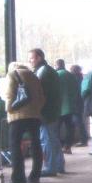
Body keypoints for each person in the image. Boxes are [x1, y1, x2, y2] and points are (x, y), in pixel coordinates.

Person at [5, 62, 45, 183]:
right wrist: (36, 109)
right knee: (36, 144)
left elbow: (9, 94)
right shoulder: (34, 76)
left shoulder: (12, 74)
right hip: (34, 116)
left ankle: (18, 179)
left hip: (17, 116)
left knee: (15, 146)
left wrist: (9, 109)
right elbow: (42, 97)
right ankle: (35, 176)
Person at [28, 48, 65, 176]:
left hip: (46, 112)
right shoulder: (48, 70)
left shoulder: (42, 72)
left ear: (39, 58)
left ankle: (50, 167)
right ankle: (59, 165)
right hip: (53, 110)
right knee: (53, 139)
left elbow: (40, 93)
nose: (30, 61)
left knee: (47, 140)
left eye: (32, 58)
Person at [55, 59, 79, 155]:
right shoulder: (71, 75)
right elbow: (76, 89)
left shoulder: (56, 75)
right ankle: (67, 146)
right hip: (70, 105)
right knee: (70, 127)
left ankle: (57, 147)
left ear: (56, 65)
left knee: (56, 128)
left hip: (59, 107)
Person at [69, 64, 89, 147]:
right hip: (80, 102)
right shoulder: (81, 77)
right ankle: (83, 139)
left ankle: (83, 140)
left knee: (78, 122)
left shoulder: (75, 79)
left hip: (76, 103)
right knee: (79, 121)